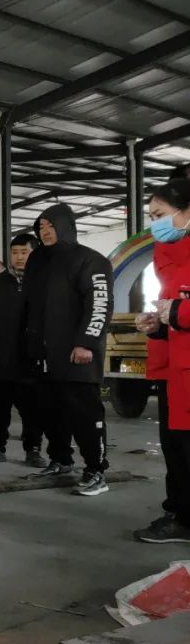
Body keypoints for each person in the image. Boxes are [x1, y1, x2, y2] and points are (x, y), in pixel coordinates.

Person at [21, 203, 114, 496]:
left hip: (78, 354)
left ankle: (96, 470)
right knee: (48, 412)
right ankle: (61, 460)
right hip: (43, 355)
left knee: (83, 414)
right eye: (41, 226)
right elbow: (30, 306)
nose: (45, 231)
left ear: (65, 226)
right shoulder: (37, 261)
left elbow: (99, 305)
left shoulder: (91, 261)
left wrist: (86, 342)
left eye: (50, 225)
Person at [134, 179, 190, 543]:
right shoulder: (165, 252)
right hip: (173, 367)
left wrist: (179, 312)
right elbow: (172, 307)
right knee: (174, 445)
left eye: (161, 215)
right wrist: (156, 325)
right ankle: (180, 512)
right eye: (151, 216)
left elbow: (181, 309)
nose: (155, 223)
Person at [0, 234, 44, 467]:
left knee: (33, 410)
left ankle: (33, 450)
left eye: (24, 252)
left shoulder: (44, 280)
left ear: (35, 252)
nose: (19, 257)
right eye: (15, 253)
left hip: (31, 361)